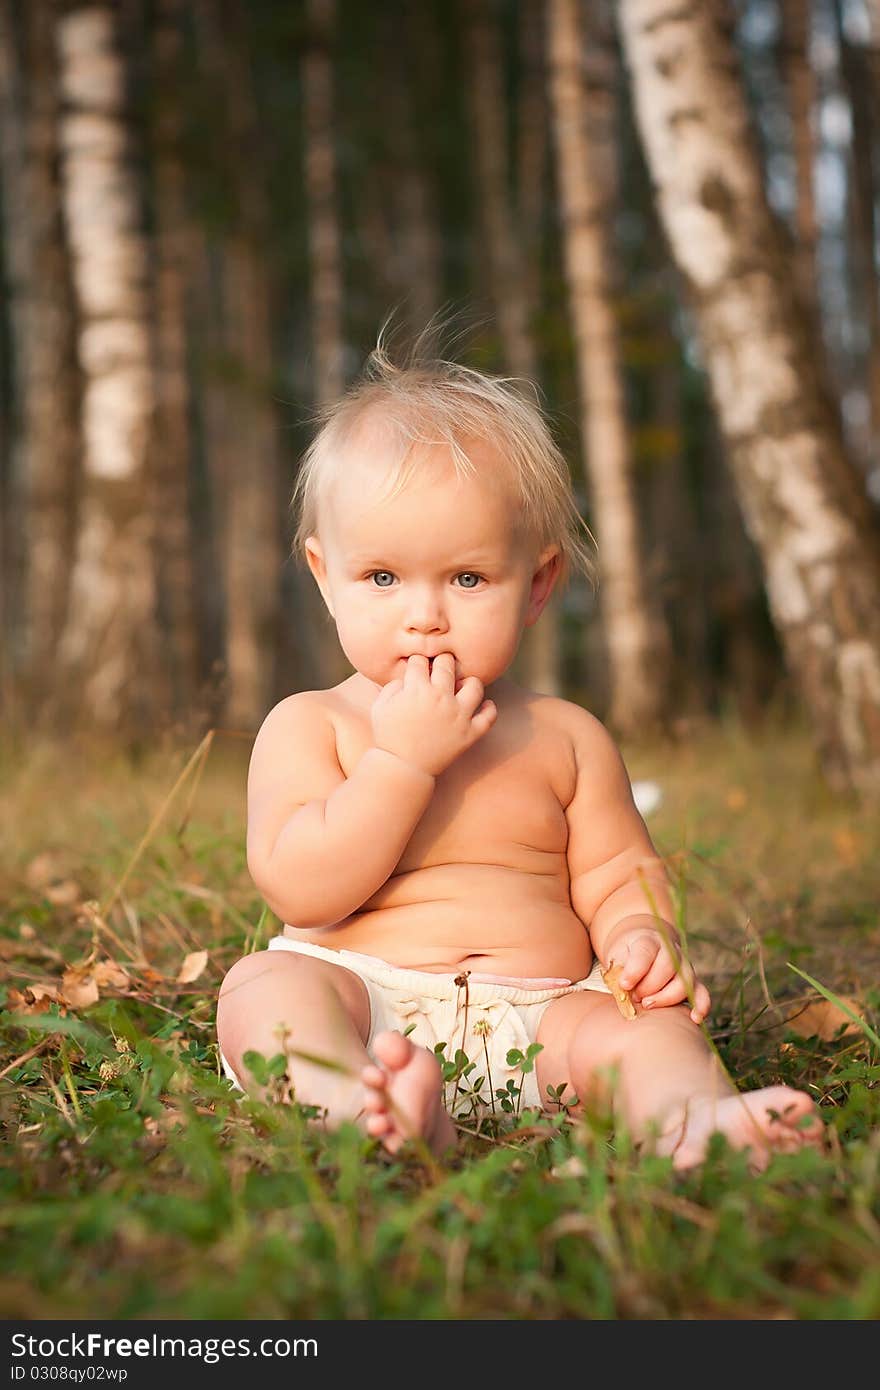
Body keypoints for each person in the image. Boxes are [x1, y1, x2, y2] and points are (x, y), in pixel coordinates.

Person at [216, 329, 824, 1170]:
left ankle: (693, 1122)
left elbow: (620, 873)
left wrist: (642, 936)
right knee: (265, 990)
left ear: (535, 584)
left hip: (547, 1021)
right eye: (383, 578)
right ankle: (357, 1105)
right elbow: (298, 885)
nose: (423, 614)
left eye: (466, 579)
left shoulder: (566, 737)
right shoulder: (312, 724)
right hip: (366, 1001)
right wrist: (400, 765)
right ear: (326, 577)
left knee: (650, 1031)